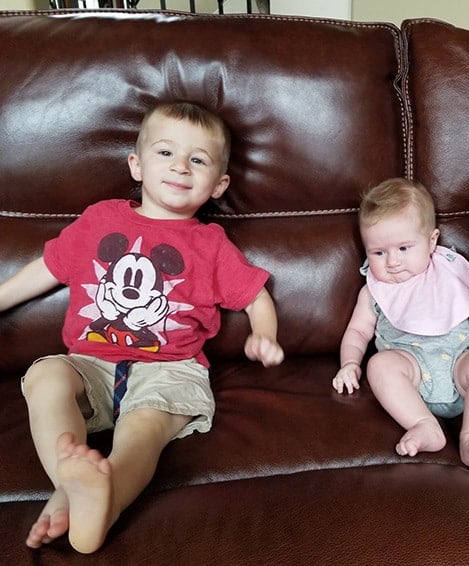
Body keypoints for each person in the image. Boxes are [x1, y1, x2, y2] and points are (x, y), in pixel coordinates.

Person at [0, 101, 284, 554]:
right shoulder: (100, 219)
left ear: (219, 185)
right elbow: (46, 269)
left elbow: (255, 295)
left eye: (198, 160)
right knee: (45, 377)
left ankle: (94, 500)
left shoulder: (210, 244)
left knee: (143, 431)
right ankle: (73, 487)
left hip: (172, 369)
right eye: (166, 152)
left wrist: (264, 333)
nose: (180, 166)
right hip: (90, 362)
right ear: (136, 164)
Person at [332, 178, 469, 466]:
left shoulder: (452, 272)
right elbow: (358, 331)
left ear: (432, 241)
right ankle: (423, 424)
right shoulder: (374, 292)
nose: (392, 262)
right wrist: (349, 364)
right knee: (380, 365)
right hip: (410, 376)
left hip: (461, 367)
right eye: (379, 252)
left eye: (404, 248)